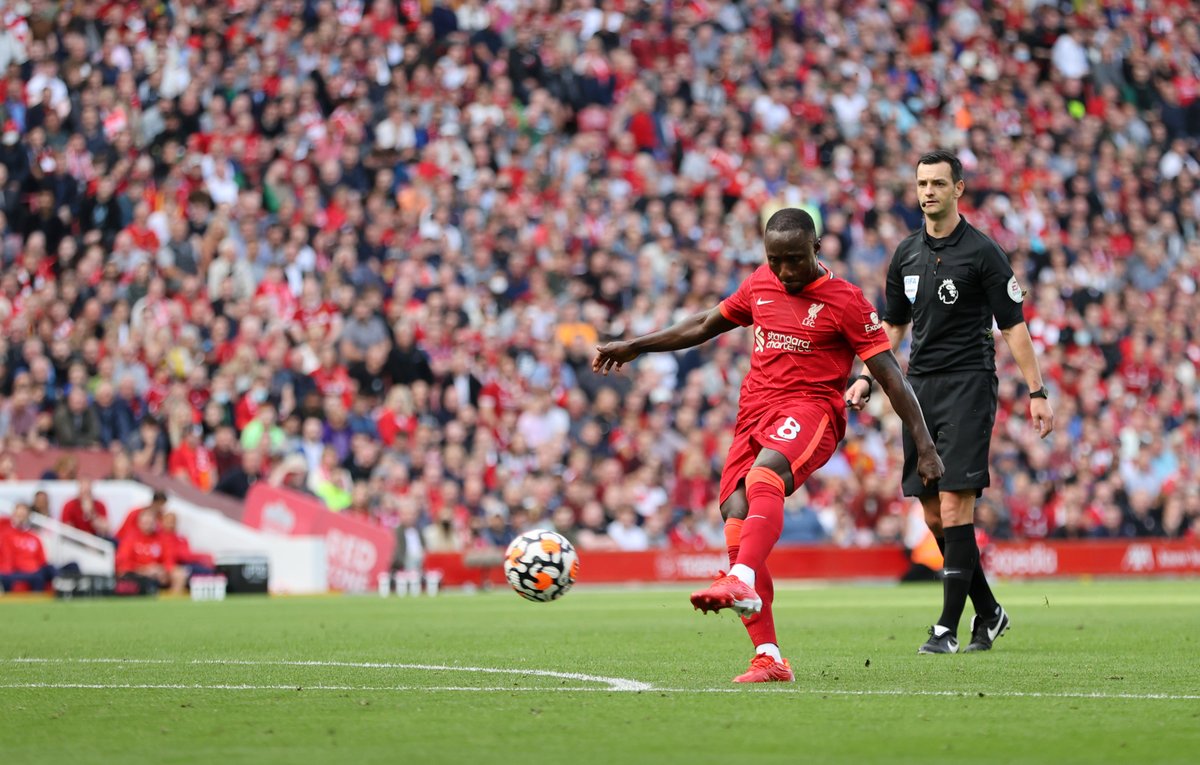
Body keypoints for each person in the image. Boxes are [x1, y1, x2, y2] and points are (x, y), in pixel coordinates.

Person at [594, 208, 943, 682]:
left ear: (816, 249)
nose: (783, 270)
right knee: (735, 515)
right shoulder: (761, 282)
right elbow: (704, 323)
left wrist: (924, 444)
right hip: (754, 413)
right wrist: (638, 344)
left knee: (765, 476)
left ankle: (740, 579)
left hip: (812, 410)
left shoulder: (846, 300)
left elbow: (891, 376)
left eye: (794, 259)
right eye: (774, 259)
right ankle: (769, 655)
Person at [847, 150, 1055, 655]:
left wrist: (1037, 392)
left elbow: (1013, 326)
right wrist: (868, 376)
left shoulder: (983, 252)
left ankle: (946, 628)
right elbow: (894, 324)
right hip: (917, 390)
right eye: (922, 183)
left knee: (957, 502)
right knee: (934, 515)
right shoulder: (905, 254)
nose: (928, 192)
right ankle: (990, 611)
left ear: (958, 188)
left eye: (938, 183)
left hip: (969, 383)